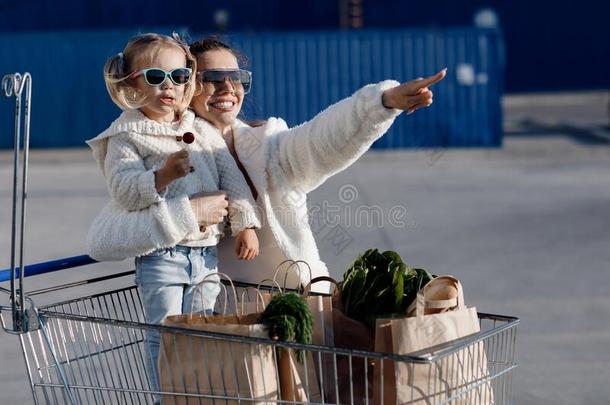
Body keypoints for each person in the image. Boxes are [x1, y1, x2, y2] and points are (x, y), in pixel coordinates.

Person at [87, 35, 446, 293]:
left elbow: (323, 139)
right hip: (229, 318)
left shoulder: (270, 145)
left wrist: (381, 102)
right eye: (210, 79)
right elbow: (104, 239)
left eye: (237, 78)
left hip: (301, 303)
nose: (228, 87)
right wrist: (189, 211)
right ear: (186, 87)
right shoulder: (161, 151)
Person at [85, 33, 261, 399]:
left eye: (180, 77)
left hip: (206, 255)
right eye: (155, 77)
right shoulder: (126, 135)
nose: (169, 85)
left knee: (205, 334)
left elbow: (233, 181)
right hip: (163, 256)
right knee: (166, 336)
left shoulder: (200, 129)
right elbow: (123, 191)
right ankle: (168, 397)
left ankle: (198, 395)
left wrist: (245, 224)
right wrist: (162, 175)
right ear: (131, 83)